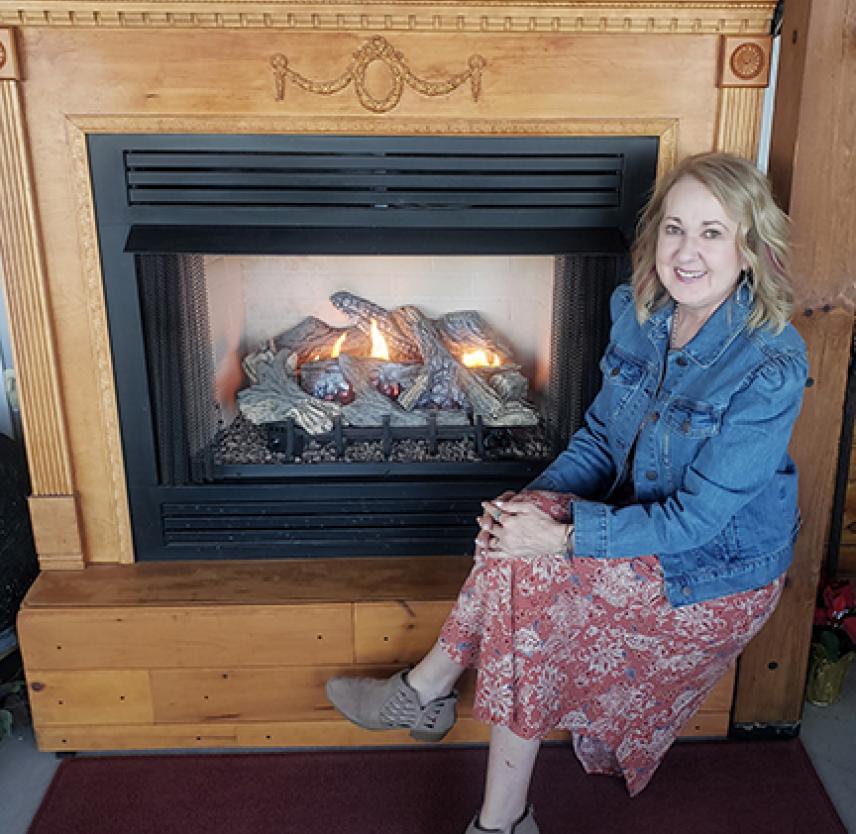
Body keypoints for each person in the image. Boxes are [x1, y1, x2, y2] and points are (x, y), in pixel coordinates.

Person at [325, 152, 808, 834]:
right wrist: (527, 509)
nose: (687, 251)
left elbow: (696, 521)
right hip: (640, 529)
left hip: (711, 574)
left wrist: (557, 537)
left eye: (712, 232)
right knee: (521, 546)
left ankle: (430, 700)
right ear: (655, 236)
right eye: (674, 229)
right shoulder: (642, 313)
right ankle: (496, 812)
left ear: (750, 249)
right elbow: (603, 443)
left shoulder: (771, 362)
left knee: (532, 568)